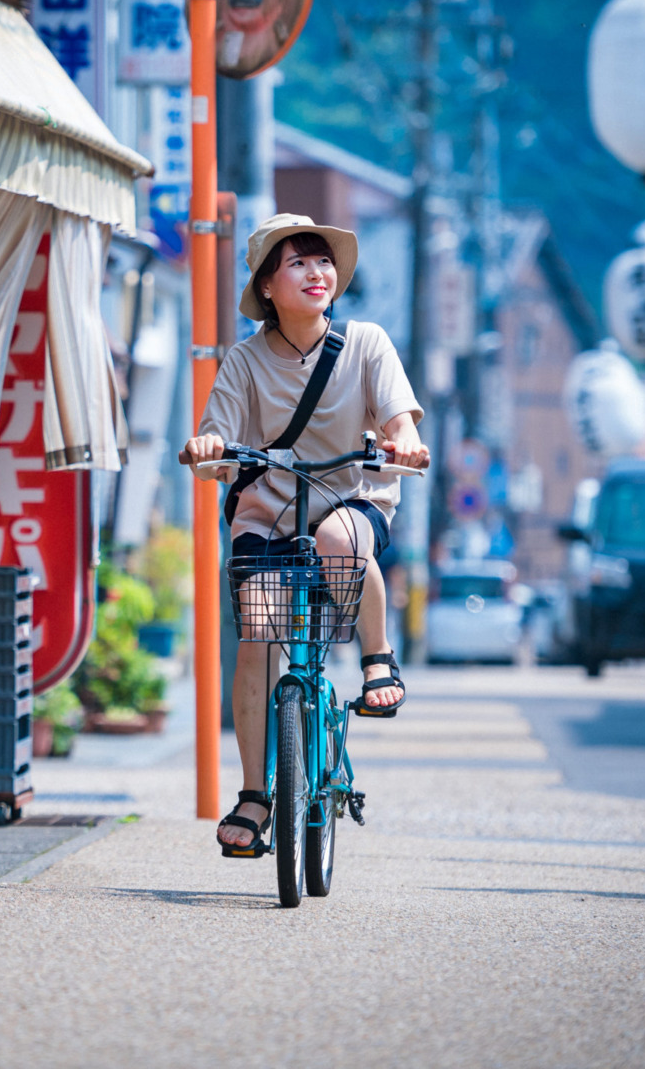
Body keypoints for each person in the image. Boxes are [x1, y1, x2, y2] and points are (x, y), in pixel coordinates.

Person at [181, 214, 430, 858]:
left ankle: (378, 659)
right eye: (295, 263)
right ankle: (254, 794)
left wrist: (403, 440)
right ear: (267, 286)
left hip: (351, 496)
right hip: (267, 510)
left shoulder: (367, 342)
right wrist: (209, 446)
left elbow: (400, 418)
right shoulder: (244, 359)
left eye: (321, 261)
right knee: (259, 636)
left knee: (343, 542)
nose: (315, 272)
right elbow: (216, 444)